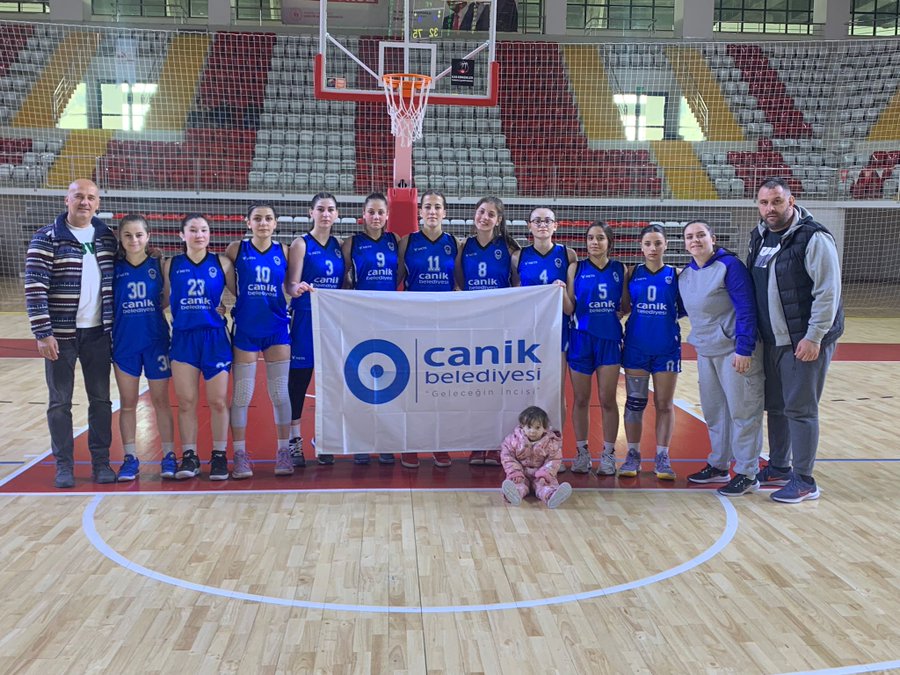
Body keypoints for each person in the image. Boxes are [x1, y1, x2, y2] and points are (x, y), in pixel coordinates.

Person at [747, 177, 844, 503]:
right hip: (772, 339)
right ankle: (779, 467)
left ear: (791, 202)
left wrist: (814, 337)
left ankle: (804, 480)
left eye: (776, 201)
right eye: (764, 203)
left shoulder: (814, 237)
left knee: (800, 409)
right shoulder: (760, 236)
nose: (770, 209)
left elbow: (828, 292)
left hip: (803, 341)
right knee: (776, 407)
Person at [25, 179, 118, 488]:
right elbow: (34, 288)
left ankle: (101, 463)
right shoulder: (46, 237)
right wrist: (43, 333)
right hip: (60, 336)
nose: (85, 202)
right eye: (78, 196)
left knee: (101, 400)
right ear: (67, 200)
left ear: (98, 203)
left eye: (91, 197)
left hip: (98, 334)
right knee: (60, 402)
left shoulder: (107, 238)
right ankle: (63, 466)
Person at [680, 220, 764, 497]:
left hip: (734, 352)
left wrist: (744, 348)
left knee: (743, 412)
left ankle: (748, 473)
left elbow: (746, 309)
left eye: (700, 235)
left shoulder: (730, 267)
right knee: (715, 412)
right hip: (706, 351)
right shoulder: (686, 275)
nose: (695, 240)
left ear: (712, 238)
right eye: (689, 237)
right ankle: (719, 464)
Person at [164, 213, 235, 480]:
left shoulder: (222, 263)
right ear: (182, 235)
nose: (199, 235)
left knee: (217, 401)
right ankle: (190, 456)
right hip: (184, 338)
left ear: (209, 234)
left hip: (214, 338)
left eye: (204, 230)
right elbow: (162, 300)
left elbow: (243, 293)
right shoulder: (170, 264)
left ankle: (219, 456)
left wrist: (225, 307)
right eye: (193, 230)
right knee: (186, 402)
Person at [225, 202, 292, 478]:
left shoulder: (284, 251)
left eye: (268, 218)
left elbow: (290, 285)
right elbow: (226, 280)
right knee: (242, 394)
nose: (263, 223)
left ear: (275, 223)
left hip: (277, 328)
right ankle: (240, 454)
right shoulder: (236, 249)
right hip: (247, 329)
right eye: (257, 218)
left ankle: (284, 451)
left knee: (280, 394)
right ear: (248, 222)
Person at [455, 195, 520, 465]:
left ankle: (496, 444)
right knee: (474, 386)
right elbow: (459, 281)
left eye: (491, 214)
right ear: (475, 214)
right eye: (481, 212)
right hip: (474, 323)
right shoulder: (464, 246)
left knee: (497, 386)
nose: (484, 217)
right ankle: (477, 443)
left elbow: (518, 284)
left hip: (499, 325)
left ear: (499, 220)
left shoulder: (510, 248)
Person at [511, 206, 576, 472]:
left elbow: (570, 307)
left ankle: (555, 449)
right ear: (529, 226)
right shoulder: (518, 256)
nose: (542, 225)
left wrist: (561, 291)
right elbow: (514, 296)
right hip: (528, 333)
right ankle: (527, 449)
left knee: (555, 391)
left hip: (557, 332)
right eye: (537, 221)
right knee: (527, 388)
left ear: (555, 226)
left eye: (547, 221)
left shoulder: (567, 255)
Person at [396, 189, 457, 469]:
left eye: (437, 207)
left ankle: (438, 443)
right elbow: (396, 279)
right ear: (419, 211)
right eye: (427, 207)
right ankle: (410, 443)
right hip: (413, 322)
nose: (432, 211)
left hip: (444, 323)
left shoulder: (454, 243)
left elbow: (459, 282)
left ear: (445, 212)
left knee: (440, 386)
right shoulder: (407, 242)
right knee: (413, 385)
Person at [111, 214, 175, 481]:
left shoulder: (159, 264)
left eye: (139, 235)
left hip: (155, 342)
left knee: (161, 402)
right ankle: (130, 458)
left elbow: (167, 300)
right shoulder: (112, 267)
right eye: (128, 235)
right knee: (127, 403)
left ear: (148, 237)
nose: (134, 240)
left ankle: (169, 455)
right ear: (120, 237)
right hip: (124, 344)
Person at [619, 224, 683, 480]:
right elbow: (624, 306)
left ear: (666, 245)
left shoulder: (676, 275)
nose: (653, 248)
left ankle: (662, 457)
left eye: (658, 243)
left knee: (664, 404)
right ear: (641, 246)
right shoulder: (632, 273)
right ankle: (632, 455)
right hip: (636, 347)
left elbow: (684, 308)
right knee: (635, 403)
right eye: (648, 243)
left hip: (666, 349)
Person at [286, 192, 346, 467]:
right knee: (299, 382)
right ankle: (294, 440)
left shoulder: (339, 246)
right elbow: (290, 284)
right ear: (311, 213)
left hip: (331, 322)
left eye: (330, 209)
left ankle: (324, 439)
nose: (325, 214)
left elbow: (344, 285)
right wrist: (296, 288)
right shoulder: (301, 244)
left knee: (329, 385)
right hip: (304, 319)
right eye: (320, 209)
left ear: (336, 215)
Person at [341, 192, 399, 465]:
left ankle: (385, 440)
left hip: (388, 318)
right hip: (360, 319)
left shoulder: (395, 241)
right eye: (371, 212)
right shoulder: (351, 243)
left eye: (380, 212)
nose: (376, 217)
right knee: (360, 381)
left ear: (387, 216)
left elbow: (400, 274)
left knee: (388, 379)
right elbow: (343, 280)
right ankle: (360, 440)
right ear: (363, 214)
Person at [566, 221, 627, 476]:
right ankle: (582, 453)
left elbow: (625, 304)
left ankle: (609, 454)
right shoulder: (575, 268)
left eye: (600, 238)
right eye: (591, 237)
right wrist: (559, 292)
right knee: (581, 399)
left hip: (609, 340)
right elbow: (569, 306)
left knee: (607, 399)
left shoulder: (620, 269)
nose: (594, 242)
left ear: (609, 242)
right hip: (580, 339)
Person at [500, 405, 573, 509]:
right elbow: (507, 456)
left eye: (537, 427)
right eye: (529, 427)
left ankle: (551, 496)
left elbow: (554, 460)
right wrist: (515, 472)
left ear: (544, 428)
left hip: (541, 475)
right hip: (521, 474)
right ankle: (514, 495)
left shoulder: (550, 443)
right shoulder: (513, 441)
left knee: (544, 486)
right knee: (518, 484)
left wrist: (545, 474)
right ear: (522, 426)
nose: (533, 431)